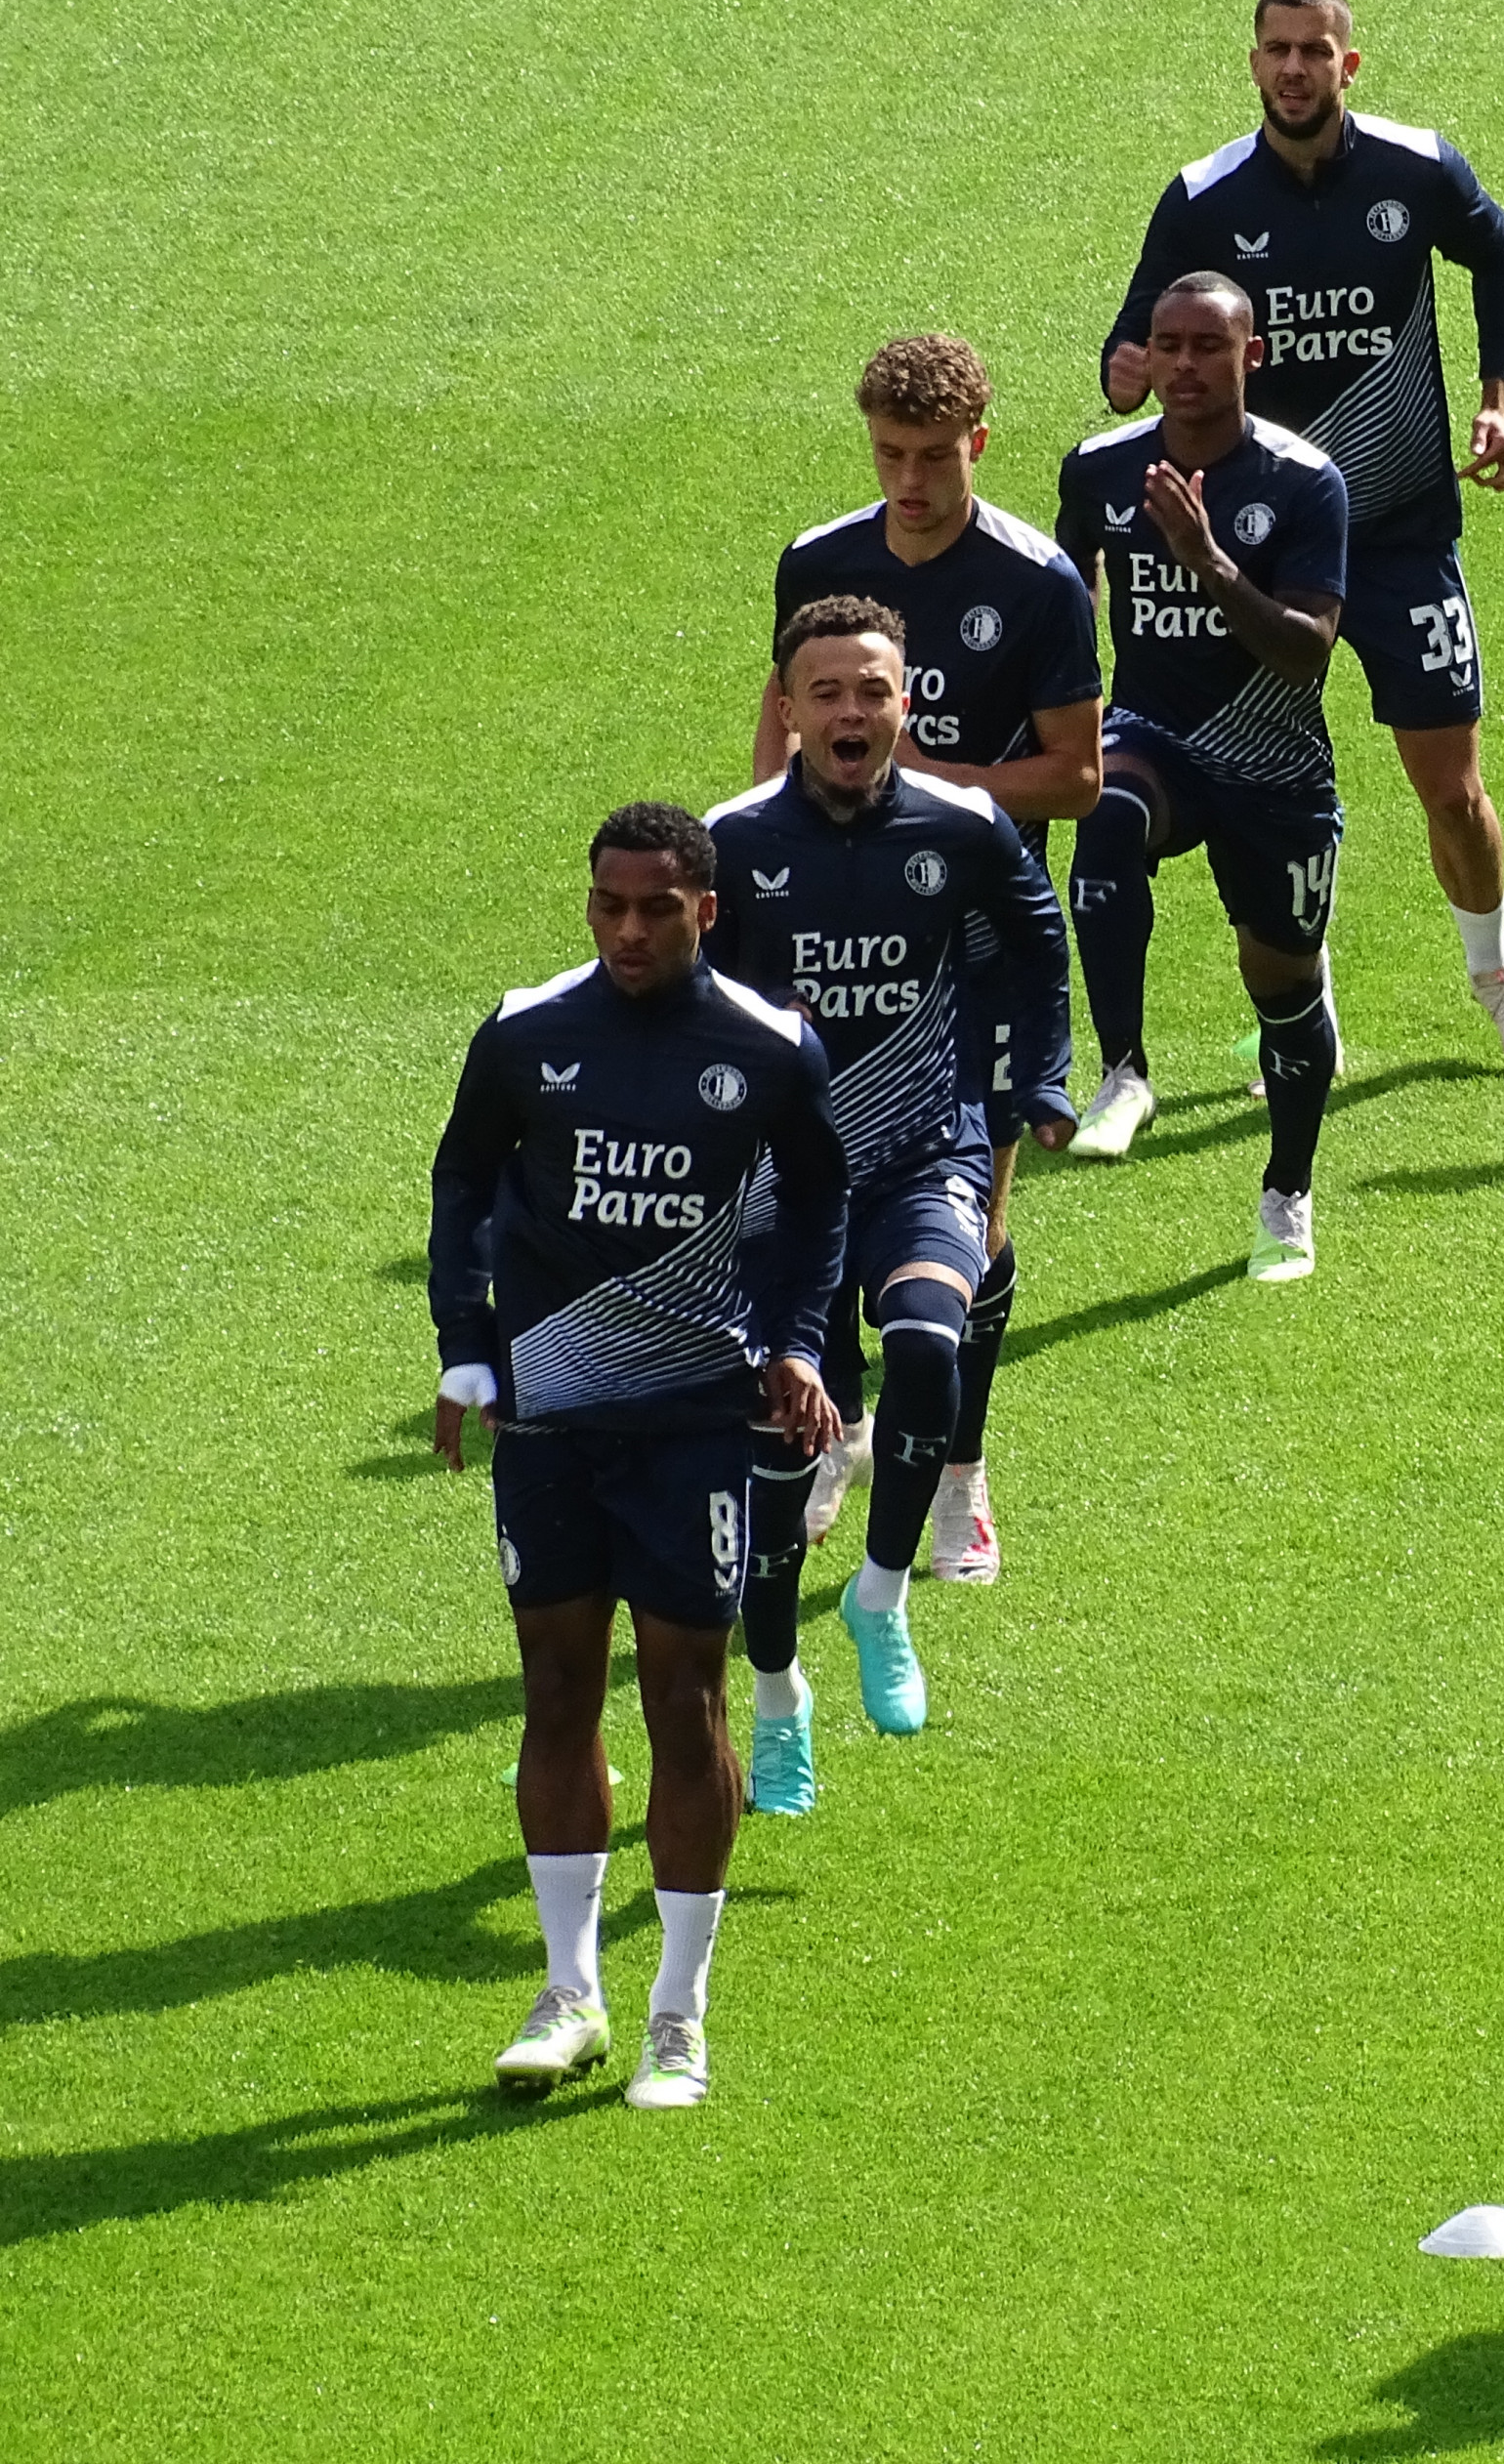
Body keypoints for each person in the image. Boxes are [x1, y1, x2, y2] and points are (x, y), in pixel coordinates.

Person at [426, 803, 846, 2110]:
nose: (627, 930)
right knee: (555, 1690)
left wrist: (798, 1345)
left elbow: (819, 1208)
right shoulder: (529, 1033)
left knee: (685, 1699)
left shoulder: (768, 1050)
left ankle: (678, 2012)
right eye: (609, 905)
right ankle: (569, 1993)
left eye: (656, 907)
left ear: (705, 910)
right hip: (550, 1416)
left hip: (690, 1426)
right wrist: (463, 1346)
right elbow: (460, 1185)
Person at [1099, 0, 1504, 1077]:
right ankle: (1304, 1005)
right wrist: (1124, 375)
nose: (1295, 69)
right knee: (1262, 784)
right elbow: (1132, 344)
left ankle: (1495, 970)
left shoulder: (1417, 166)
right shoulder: (1204, 198)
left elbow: (1498, 253)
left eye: (1315, 51)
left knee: (1450, 785)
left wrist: (1498, 400)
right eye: (1276, 51)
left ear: (1348, 65)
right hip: (1259, 551)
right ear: (1253, 63)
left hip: (1402, 532)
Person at [706, 598, 1071, 1801]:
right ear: (789, 710)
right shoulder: (733, 845)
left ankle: (880, 1595)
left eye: (873, 690)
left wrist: (1043, 1077)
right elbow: (681, 1017)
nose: (852, 712)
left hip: (927, 1157)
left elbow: (1037, 940)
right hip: (783, 1193)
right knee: (763, 1499)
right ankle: (775, 1699)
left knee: (926, 1341)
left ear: (903, 701)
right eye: (827, 693)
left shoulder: (962, 827)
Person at [756, 332, 1104, 1586]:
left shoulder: (1039, 578)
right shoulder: (818, 560)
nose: (908, 481)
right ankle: (836, 1434)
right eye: (889, 456)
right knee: (812, 1196)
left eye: (931, 458)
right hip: (821, 930)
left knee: (976, 1231)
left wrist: (916, 786)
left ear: (979, 444)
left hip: (968, 942)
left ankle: (962, 1471)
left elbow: (1077, 776)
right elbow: (775, 738)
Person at [1060, 273, 1355, 1282]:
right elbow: (1066, 602)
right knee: (1105, 815)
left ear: (1251, 358)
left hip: (1275, 770)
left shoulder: (1304, 481)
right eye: (1167, 345)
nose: (1183, 366)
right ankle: (1124, 1070)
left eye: (1207, 348)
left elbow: (1306, 653)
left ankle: (1287, 1193)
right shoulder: (1100, 469)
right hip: (1153, 735)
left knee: (1284, 990)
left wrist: (1207, 561)